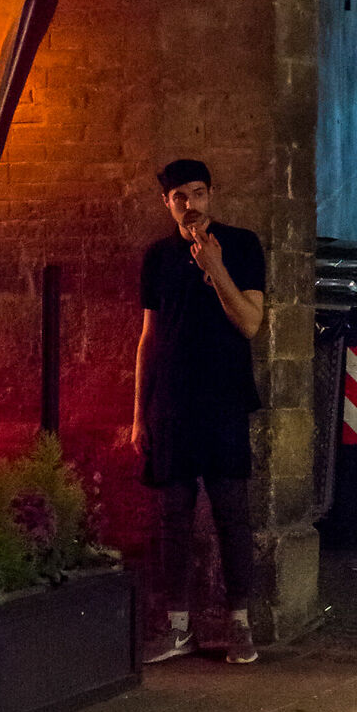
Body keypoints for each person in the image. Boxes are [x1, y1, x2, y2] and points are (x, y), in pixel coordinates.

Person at [133, 158, 267, 666]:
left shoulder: (242, 245)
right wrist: (139, 415)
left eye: (198, 193)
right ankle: (178, 629)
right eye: (179, 197)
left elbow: (250, 323)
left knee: (232, 515)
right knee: (173, 520)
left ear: (212, 194)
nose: (190, 204)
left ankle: (240, 626)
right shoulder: (157, 256)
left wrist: (215, 267)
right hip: (171, 403)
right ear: (167, 203)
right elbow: (148, 338)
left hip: (224, 399)